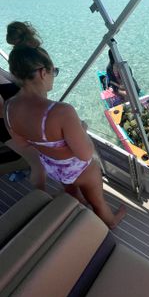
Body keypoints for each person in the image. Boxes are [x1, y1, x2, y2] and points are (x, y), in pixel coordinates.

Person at [5, 45, 126, 228]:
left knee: (72, 191)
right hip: (81, 170)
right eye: (54, 71)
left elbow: (23, 144)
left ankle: (78, 205)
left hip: (54, 168)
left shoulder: (7, 108)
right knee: (98, 203)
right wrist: (82, 129)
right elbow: (85, 154)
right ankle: (111, 222)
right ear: (42, 72)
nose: (54, 75)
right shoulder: (61, 112)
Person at [0, 21, 45, 188]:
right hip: (7, 126)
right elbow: (1, 111)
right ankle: (42, 197)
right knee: (38, 162)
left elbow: (14, 80)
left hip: (20, 119)